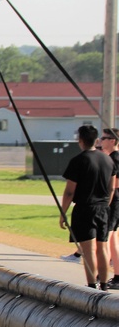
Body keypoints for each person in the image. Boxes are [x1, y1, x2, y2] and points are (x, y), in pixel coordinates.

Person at [59, 124, 114, 289]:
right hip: (104, 208)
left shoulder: (79, 161)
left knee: (88, 249)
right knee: (102, 247)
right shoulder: (107, 159)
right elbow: (111, 187)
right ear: (96, 139)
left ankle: (91, 284)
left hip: (85, 208)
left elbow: (69, 192)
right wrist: (106, 204)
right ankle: (103, 284)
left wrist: (63, 213)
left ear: (80, 140)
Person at [101, 128, 119, 287]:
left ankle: (101, 278)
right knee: (113, 240)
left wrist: (107, 203)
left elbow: (115, 184)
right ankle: (117, 276)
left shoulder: (115, 159)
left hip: (114, 201)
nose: (101, 141)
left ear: (112, 141)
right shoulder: (112, 158)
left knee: (106, 239)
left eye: (104, 138)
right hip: (115, 200)